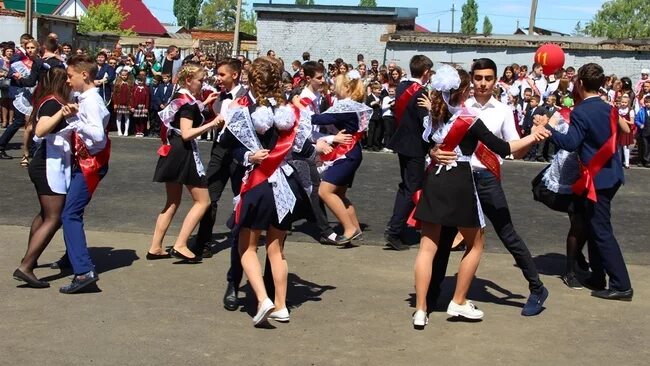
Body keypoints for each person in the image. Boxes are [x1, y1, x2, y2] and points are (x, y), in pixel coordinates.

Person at [411, 64, 548, 328]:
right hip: (459, 179)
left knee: (507, 234)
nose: (483, 83)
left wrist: (532, 136)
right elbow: (432, 142)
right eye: (478, 78)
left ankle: (537, 286)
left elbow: (512, 151)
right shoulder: (457, 105)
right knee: (443, 243)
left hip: (483, 179)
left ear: (496, 80)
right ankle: (432, 298)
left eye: (488, 78)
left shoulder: (503, 110)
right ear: (470, 82)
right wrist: (433, 152)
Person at [226, 57, 316, 326]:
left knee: (248, 247)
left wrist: (248, 157)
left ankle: (263, 299)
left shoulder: (242, 110)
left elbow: (229, 145)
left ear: (251, 80)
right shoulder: (289, 111)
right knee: (277, 249)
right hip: (286, 186)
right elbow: (302, 148)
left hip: (259, 183)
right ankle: (281, 306)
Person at [542, 63, 633, 301]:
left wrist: (549, 130)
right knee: (594, 226)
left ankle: (621, 284)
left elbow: (571, 142)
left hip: (596, 179)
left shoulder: (582, 111)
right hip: (610, 173)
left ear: (580, 83)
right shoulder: (608, 107)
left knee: (601, 230)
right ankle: (598, 275)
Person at [149, 64, 220, 262]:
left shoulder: (181, 99)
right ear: (189, 80)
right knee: (203, 201)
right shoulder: (187, 104)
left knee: (172, 201)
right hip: (183, 151)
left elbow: (183, 115)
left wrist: (205, 103)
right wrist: (211, 124)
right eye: (200, 80)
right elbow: (187, 133)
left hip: (172, 149)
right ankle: (181, 244)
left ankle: (155, 246)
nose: (202, 84)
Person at [12, 67, 73, 288]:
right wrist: (63, 113)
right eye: (67, 78)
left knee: (45, 213)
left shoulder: (48, 100)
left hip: (49, 162)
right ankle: (26, 266)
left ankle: (31, 258)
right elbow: (40, 130)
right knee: (54, 217)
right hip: (48, 164)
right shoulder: (53, 103)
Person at [58, 55, 111, 294]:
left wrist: (74, 122)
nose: (68, 81)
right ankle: (73, 257)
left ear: (84, 75)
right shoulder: (85, 98)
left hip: (92, 162)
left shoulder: (90, 100)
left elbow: (98, 136)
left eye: (70, 76)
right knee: (70, 211)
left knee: (70, 213)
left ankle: (83, 270)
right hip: (87, 160)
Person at [309, 71, 371, 243]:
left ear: (346, 87)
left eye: (337, 86)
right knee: (340, 194)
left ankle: (349, 228)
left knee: (325, 191)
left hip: (347, 153)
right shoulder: (353, 105)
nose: (334, 89)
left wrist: (298, 109)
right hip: (351, 152)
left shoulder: (346, 107)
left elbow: (319, 119)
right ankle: (356, 228)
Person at [384, 55, 433, 251]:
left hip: (402, 142)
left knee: (406, 185)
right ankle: (395, 229)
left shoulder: (403, 86)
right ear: (426, 72)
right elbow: (425, 123)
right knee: (411, 187)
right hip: (415, 146)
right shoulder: (420, 92)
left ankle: (400, 226)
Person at [616, 95, 635, 169]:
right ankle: (619, 162)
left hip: (626, 130)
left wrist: (625, 121)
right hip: (619, 130)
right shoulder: (618, 109)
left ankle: (627, 163)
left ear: (628, 103)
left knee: (625, 147)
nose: (623, 104)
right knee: (618, 147)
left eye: (625, 102)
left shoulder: (630, 110)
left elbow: (632, 122)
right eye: (622, 102)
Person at [112, 69, 133, 136]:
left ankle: (126, 131)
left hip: (127, 103)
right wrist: (115, 103)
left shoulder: (130, 83)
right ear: (120, 75)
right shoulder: (117, 83)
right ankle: (119, 130)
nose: (124, 76)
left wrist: (131, 104)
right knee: (119, 117)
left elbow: (132, 95)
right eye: (122, 75)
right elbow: (114, 94)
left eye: (125, 75)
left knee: (127, 117)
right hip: (119, 103)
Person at [634, 95, 650, 167]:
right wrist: (640, 124)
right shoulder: (641, 111)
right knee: (644, 146)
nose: (647, 104)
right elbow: (636, 120)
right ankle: (642, 160)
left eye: (649, 102)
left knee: (649, 146)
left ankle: (647, 160)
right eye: (646, 102)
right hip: (644, 131)